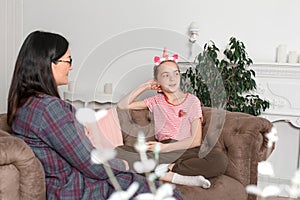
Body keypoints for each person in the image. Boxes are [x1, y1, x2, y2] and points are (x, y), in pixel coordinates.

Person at [7, 31, 183, 199]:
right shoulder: (49, 108)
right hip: (78, 189)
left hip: (66, 186)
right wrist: (123, 165)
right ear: (49, 64)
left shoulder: (25, 106)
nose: (71, 66)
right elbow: (91, 164)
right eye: (68, 60)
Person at [117, 48, 228, 188]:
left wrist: (165, 148)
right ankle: (176, 175)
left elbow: (195, 140)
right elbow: (122, 105)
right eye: (166, 75)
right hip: (162, 150)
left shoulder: (192, 101)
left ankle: (169, 171)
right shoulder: (155, 100)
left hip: (186, 149)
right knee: (118, 152)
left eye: (176, 73)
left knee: (219, 160)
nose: (172, 79)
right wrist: (144, 86)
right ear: (157, 81)